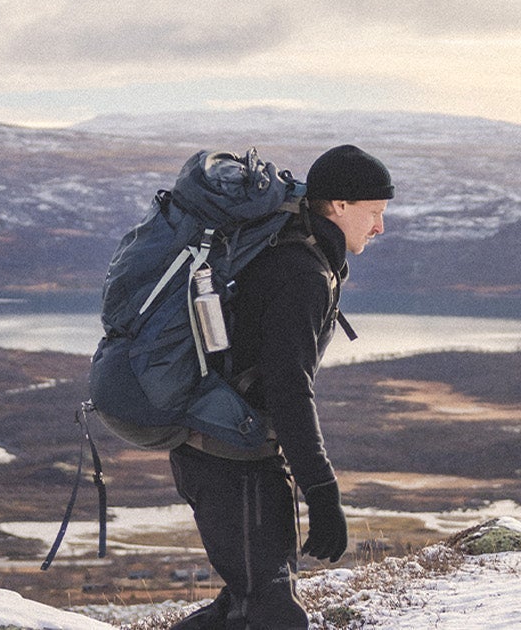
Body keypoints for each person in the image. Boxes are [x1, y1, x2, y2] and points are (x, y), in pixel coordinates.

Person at [168, 144, 392, 630]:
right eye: (374, 213)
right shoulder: (301, 272)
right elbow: (290, 388)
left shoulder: (299, 254)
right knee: (274, 613)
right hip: (229, 459)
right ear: (339, 206)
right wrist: (322, 490)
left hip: (231, 450)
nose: (380, 227)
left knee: (249, 600)